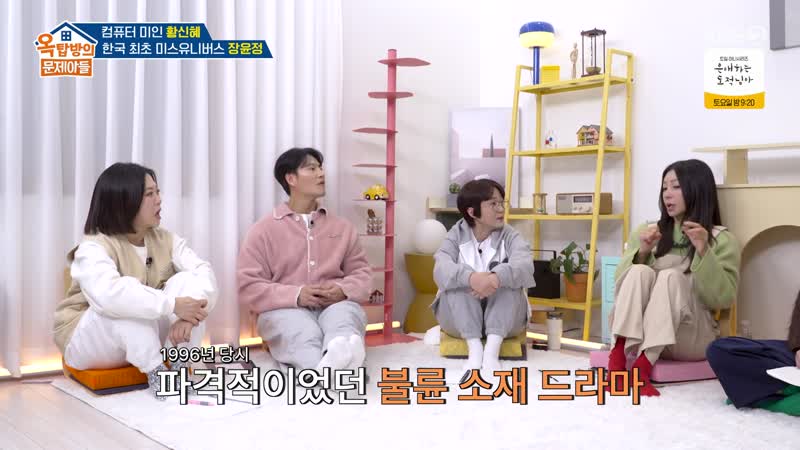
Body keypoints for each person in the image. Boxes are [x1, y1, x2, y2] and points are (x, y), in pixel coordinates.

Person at [54, 163, 218, 400]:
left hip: (143, 340)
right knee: (126, 300)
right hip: (92, 345)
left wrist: (187, 317)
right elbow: (110, 296)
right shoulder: (93, 247)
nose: (159, 199)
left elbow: (204, 272)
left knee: (187, 279)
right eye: (150, 194)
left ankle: (180, 365)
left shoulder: (166, 239)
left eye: (157, 191)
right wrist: (173, 305)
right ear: (125, 202)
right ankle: (158, 375)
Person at [608, 159, 740, 396]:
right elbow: (618, 288)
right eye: (664, 187)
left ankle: (642, 369)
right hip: (638, 336)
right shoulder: (648, 231)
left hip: (689, 338)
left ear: (696, 189)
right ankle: (616, 361)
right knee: (638, 271)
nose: (667, 194)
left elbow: (722, 299)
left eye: (676, 187)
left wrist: (704, 251)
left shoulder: (721, 240)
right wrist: (643, 252)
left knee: (670, 276)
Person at [238, 148, 371, 373]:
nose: (321, 173)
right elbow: (248, 285)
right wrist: (296, 295)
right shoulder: (263, 230)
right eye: (312, 168)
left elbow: (362, 274)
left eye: (321, 168)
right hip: (283, 309)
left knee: (344, 321)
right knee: (302, 334)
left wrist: (342, 290)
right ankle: (339, 369)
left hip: (335, 305)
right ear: (291, 179)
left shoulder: (343, 227)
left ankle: (336, 358)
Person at [432, 179, 535, 381]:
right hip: (457, 321)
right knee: (459, 277)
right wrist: (471, 279)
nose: (501, 209)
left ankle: (491, 352)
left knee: (507, 278)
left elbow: (525, 265)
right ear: (472, 212)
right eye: (493, 204)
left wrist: (495, 278)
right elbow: (440, 269)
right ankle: (475, 349)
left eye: (502, 203)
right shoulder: (455, 235)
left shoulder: (510, 235)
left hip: (507, 322)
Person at [706, 291, 800, 416]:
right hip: (793, 354)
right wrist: (797, 348)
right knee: (718, 349)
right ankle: (787, 389)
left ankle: (764, 399)